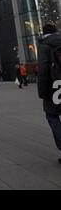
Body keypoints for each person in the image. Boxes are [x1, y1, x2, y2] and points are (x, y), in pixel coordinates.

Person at [38, 23, 61, 164]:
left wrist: (42, 92)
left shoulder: (44, 46)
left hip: (55, 88)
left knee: (52, 115)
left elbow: (43, 71)